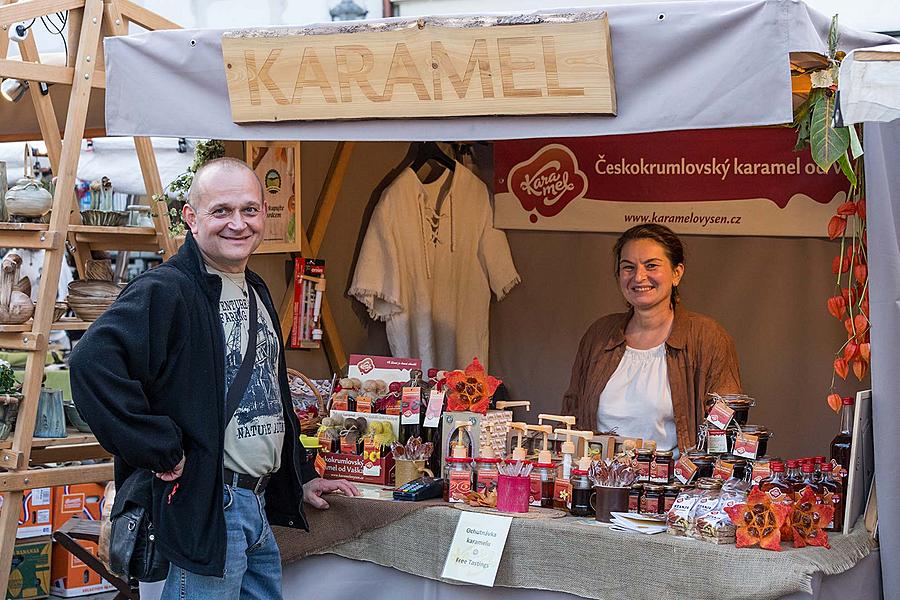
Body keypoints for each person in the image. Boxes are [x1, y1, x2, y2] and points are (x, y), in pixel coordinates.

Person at [70, 158, 359, 599]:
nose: (238, 224)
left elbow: (271, 393)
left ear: (265, 213)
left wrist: (299, 476)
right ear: (192, 217)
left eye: (249, 210)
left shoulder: (256, 288)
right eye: (221, 211)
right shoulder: (166, 290)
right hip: (211, 504)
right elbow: (90, 364)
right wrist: (159, 447)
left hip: (256, 507)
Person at [561, 224, 741, 452]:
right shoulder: (599, 335)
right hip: (601, 482)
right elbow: (572, 413)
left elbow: (726, 428)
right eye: (628, 267)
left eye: (651, 266)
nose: (639, 276)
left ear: (677, 273)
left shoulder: (708, 338)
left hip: (673, 485)